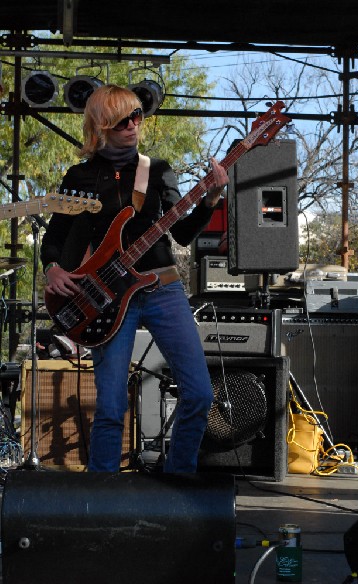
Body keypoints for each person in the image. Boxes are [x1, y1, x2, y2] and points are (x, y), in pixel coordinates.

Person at [40, 84, 228, 473]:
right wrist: (52, 268)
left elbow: (183, 233)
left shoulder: (157, 170)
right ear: (102, 126)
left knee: (199, 393)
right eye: (123, 119)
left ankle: (178, 483)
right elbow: (57, 235)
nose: (133, 125)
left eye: (137, 116)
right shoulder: (79, 175)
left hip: (162, 288)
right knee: (110, 406)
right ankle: (104, 499)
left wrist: (210, 199)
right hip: (108, 295)